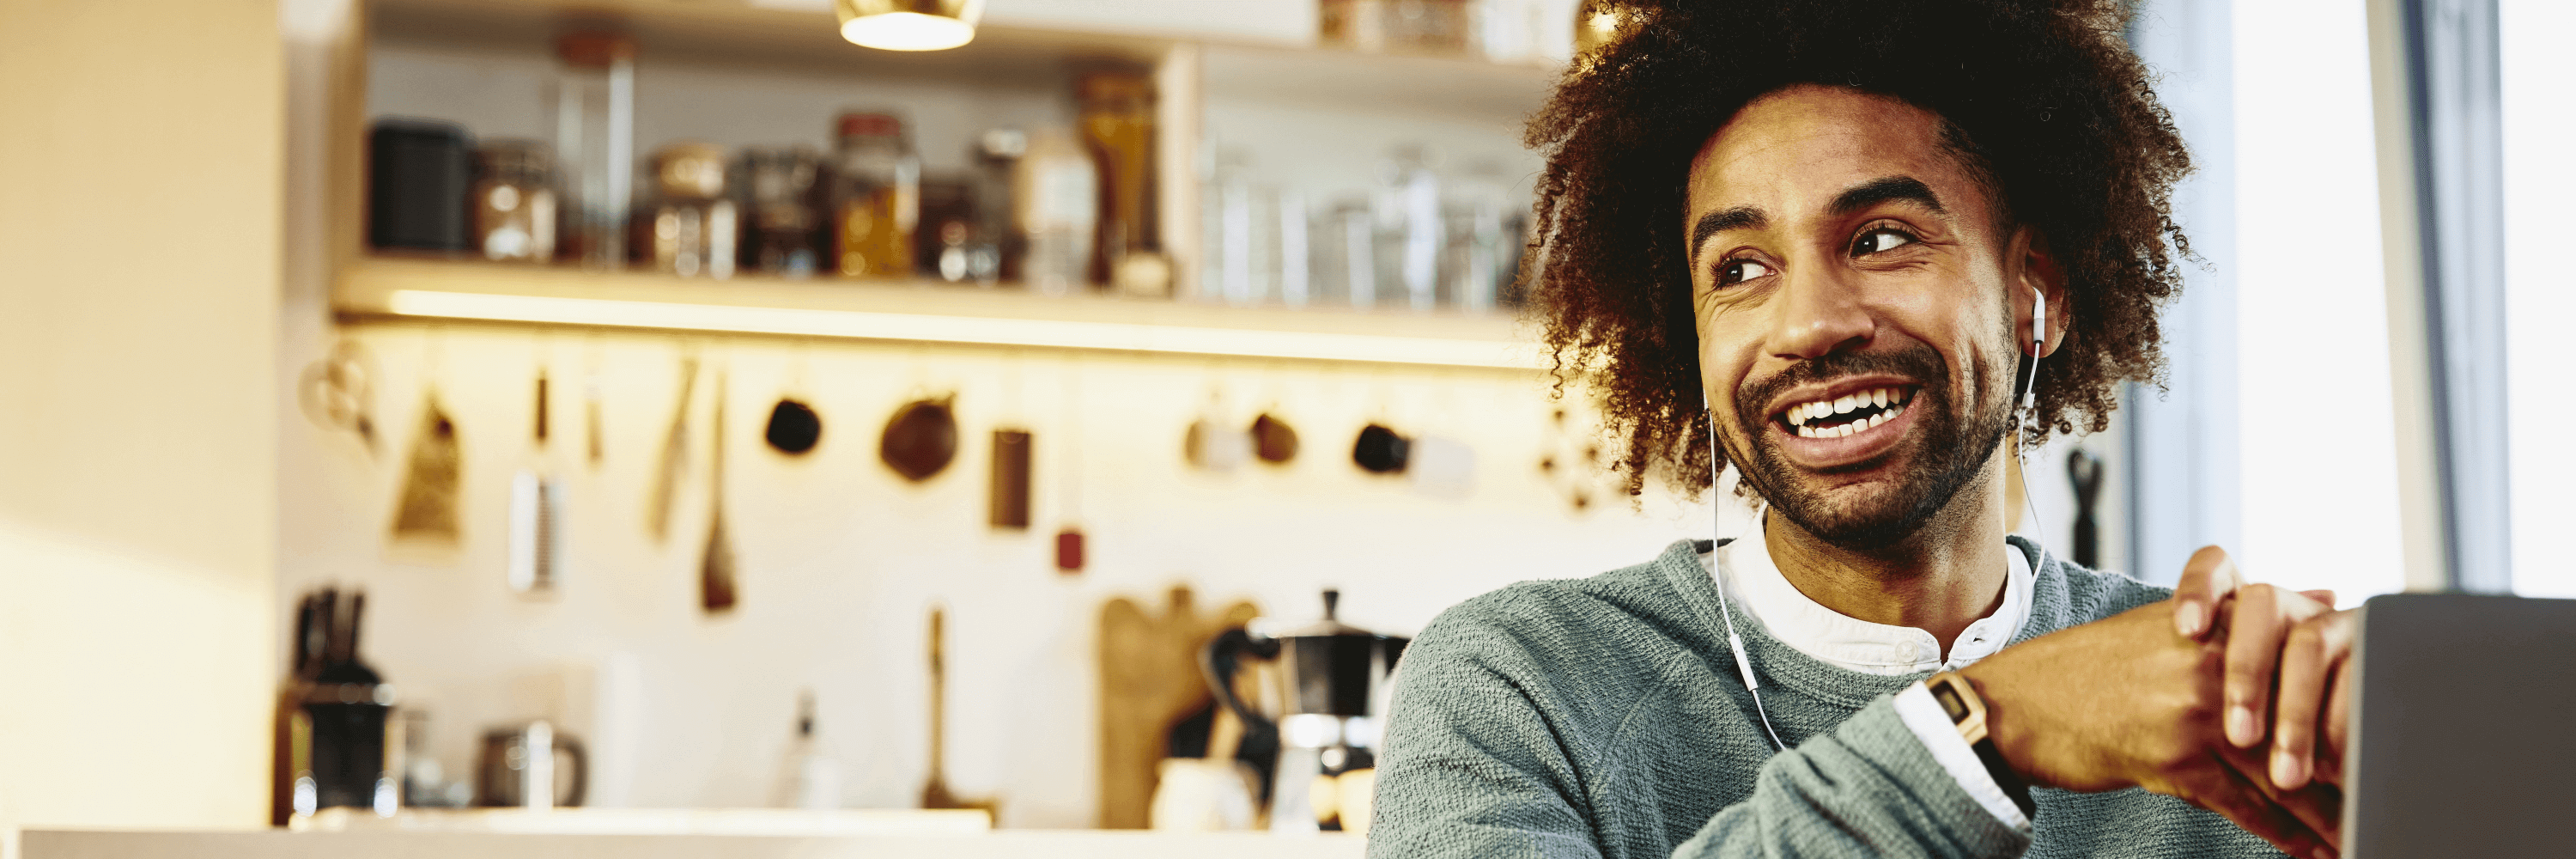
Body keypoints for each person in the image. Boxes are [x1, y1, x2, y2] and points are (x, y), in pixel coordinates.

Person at [1367, 2, 2360, 857]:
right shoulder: (1521, 683)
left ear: (2035, 290)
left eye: (1881, 239)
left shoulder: (2210, 704)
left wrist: (2410, 759)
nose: (1806, 325)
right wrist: (1988, 726)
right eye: (1740, 269)